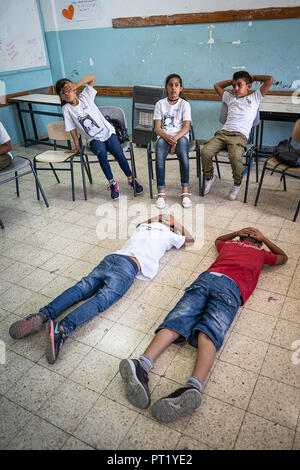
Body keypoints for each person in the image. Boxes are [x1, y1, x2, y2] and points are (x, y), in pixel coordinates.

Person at [119, 227, 287, 423]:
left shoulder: (229, 244)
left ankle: (142, 364)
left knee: (176, 321)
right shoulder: (261, 252)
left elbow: (218, 239)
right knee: (209, 334)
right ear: (258, 244)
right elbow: (282, 257)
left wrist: (236, 233)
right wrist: (264, 237)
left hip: (206, 278)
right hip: (231, 287)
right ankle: (193, 385)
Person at [9, 214, 194, 364]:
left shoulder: (144, 227)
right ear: (170, 228)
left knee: (81, 289)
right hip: (129, 267)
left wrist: (157, 218)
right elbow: (191, 239)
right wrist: (174, 221)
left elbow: (140, 222)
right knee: (101, 300)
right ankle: (62, 329)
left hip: (112, 258)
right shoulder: (170, 235)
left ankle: (42, 315)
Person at [55, 74, 143, 200]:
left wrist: (76, 85)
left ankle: (131, 179)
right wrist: (77, 147)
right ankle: (112, 183)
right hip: (93, 139)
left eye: (69, 89)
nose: (67, 93)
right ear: (61, 96)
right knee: (101, 153)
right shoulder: (66, 109)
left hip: (108, 132)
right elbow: (73, 130)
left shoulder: (86, 97)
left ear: (74, 89)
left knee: (118, 153)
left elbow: (92, 77)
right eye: (63, 92)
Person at [201, 71, 274, 200]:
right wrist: (232, 81)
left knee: (234, 155)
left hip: (240, 136)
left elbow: (270, 79)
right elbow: (216, 85)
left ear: (249, 86)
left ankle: (237, 183)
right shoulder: (229, 98)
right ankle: (209, 177)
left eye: (239, 85)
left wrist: (253, 77)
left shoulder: (255, 97)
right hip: (223, 133)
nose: (235, 89)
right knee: (205, 152)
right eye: (234, 86)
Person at [153, 74, 192, 210]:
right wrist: (168, 137)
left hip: (181, 136)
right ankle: (161, 194)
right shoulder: (160, 104)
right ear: (166, 88)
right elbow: (157, 128)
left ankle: (185, 192)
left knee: (183, 155)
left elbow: (186, 127)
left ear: (181, 88)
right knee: (159, 158)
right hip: (164, 136)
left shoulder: (185, 105)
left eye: (177, 85)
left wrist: (174, 139)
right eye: (171, 85)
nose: (173, 88)